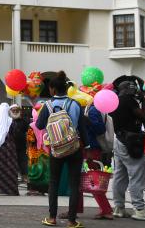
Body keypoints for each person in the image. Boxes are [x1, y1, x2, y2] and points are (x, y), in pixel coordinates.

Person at [36, 71, 89, 228]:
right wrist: (84, 145)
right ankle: (72, 221)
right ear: (67, 89)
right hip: (74, 147)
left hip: (56, 149)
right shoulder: (75, 104)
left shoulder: (48, 105)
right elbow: (82, 127)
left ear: (52, 89)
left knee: (54, 182)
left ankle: (52, 218)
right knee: (74, 184)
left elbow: (39, 125)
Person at [110, 80, 145, 221]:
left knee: (119, 175)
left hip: (118, 139)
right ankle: (139, 209)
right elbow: (143, 116)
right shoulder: (129, 101)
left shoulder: (115, 101)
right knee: (136, 174)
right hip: (131, 141)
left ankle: (118, 208)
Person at [84, 103, 114, 219]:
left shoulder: (92, 110)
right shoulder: (95, 110)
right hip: (91, 149)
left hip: (91, 149)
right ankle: (105, 209)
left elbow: (100, 129)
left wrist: (88, 121)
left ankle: (106, 209)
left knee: (94, 180)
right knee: (87, 180)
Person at [0, 103, 19, 196]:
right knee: (10, 168)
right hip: (10, 148)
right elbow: (15, 133)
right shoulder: (11, 121)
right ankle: (11, 189)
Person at [27, 106, 50, 196]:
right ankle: (45, 189)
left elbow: (30, 140)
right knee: (45, 170)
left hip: (34, 152)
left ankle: (34, 188)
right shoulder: (47, 124)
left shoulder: (32, 126)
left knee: (34, 170)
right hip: (46, 151)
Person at [10, 104, 30, 182]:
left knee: (23, 162)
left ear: (19, 111)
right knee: (12, 162)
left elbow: (28, 132)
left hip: (22, 146)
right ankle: (13, 178)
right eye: (13, 110)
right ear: (10, 111)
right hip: (11, 146)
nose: (15, 112)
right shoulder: (8, 121)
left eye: (17, 110)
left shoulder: (24, 121)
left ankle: (24, 177)